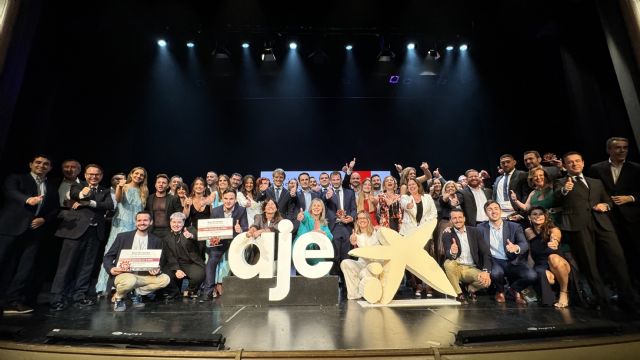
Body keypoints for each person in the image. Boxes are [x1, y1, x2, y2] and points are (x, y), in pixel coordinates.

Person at [554, 151, 635, 310]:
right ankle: (602, 301)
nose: (575, 164)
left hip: (602, 224)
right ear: (565, 165)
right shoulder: (561, 182)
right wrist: (565, 190)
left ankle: (628, 299)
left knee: (618, 260)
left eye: (578, 161)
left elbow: (608, 202)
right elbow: (557, 197)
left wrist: (605, 206)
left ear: (583, 163)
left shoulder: (596, 182)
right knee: (589, 265)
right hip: (579, 226)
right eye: (570, 162)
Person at [0, 154, 59, 314]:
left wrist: (43, 220)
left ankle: (13, 301)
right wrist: (28, 200)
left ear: (50, 168)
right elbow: (10, 192)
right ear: (31, 164)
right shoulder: (17, 178)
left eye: (46, 164)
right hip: (10, 227)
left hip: (34, 231)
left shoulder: (51, 187)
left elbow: (55, 209)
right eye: (38, 163)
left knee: (25, 267)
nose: (41, 166)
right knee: (3, 262)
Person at [49, 164, 114, 311]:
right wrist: (84, 195)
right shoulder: (77, 185)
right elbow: (76, 196)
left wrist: (89, 203)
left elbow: (109, 205)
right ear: (85, 175)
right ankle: (57, 298)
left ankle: (79, 296)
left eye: (97, 174)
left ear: (101, 176)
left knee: (87, 266)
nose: (94, 177)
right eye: (90, 174)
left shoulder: (105, 190)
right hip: (75, 231)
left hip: (95, 232)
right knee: (65, 266)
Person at [588, 137, 640, 287]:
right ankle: (620, 287)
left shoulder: (636, 168)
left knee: (635, 253)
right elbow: (591, 191)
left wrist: (630, 198)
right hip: (608, 219)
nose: (622, 150)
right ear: (609, 150)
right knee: (614, 256)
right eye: (618, 148)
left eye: (625, 147)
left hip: (633, 220)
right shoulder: (596, 168)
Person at [102, 211, 170, 311]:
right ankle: (119, 297)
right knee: (130, 280)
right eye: (139, 220)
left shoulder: (156, 240)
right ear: (135, 222)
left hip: (143, 277)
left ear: (151, 222)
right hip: (123, 275)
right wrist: (111, 269)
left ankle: (136, 292)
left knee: (165, 279)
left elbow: (158, 262)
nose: (142, 223)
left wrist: (157, 269)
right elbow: (108, 257)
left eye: (145, 220)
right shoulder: (123, 237)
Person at [95, 166, 148, 296]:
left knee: (132, 255)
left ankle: (127, 286)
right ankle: (104, 286)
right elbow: (118, 200)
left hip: (135, 225)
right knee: (112, 252)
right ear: (132, 174)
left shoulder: (143, 190)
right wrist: (119, 186)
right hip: (121, 224)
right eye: (137, 173)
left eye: (142, 175)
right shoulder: (123, 186)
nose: (139, 176)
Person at [479, 200, 536, 305]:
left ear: (500, 211)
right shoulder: (480, 228)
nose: (493, 212)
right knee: (496, 273)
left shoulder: (514, 226)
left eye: (496, 209)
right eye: (490, 209)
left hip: (513, 261)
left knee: (531, 275)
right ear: (486, 213)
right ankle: (500, 291)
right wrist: (450, 229)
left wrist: (516, 247)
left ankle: (514, 289)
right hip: (495, 261)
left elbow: (524, 244)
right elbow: (467, 232)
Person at [202, 189, 248, 299]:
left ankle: (234, 290)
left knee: (235, 260)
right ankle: (208, 291)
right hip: (219, 243)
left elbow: (246, 227)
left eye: (231, 199)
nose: (228, 201)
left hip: (234, 243)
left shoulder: (241, 210)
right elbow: (211, 229)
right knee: (211, 261)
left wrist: (240, 229)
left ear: (235, 200)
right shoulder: (215, 211)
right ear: (222, 199)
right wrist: (213, 238)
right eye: (226, 198)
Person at [442, 209, 491, 304]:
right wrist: (453, 251)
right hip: (457, 267)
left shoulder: (475, 231)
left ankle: (470, 289)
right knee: (448, 263)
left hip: (471, 268)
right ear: (451, 220)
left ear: (464, 219)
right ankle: (459, 293)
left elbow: (486, 252)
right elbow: (448, 254)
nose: (457, 220)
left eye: (460, 217)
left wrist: (486, 271)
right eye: (454, 218)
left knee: (486, 282)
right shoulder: (447, 233)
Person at [524, 206, 571, 307]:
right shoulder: (528, 231)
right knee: (543, 275)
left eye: (540, 214)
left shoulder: (553, 229)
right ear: (529, 217)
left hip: (558, 263)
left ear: (545, 216)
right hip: (541, 265)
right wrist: (529, 270)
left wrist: (554, 241)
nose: (538, 216)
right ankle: (552, 296)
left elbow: (556, 236)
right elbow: (529, 253)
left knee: (552, 257)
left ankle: (564, 292)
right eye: (534, 214)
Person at [399, 178, 437, 296]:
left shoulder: (428, 197)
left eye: (413, 184)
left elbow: (433, 213)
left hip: (424, 233)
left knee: (425, 259)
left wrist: (424, 224)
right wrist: (409, 206)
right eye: (409, 185)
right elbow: (404, 205)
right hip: (410, 233)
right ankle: (418, 285)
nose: (411, 186)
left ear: (418, 185)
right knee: (413, 260)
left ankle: (429, 285)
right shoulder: (405, 198)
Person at [162, 212, 205, 299]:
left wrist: (191, 236)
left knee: (199, 275)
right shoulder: (166, 237)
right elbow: (169, 256)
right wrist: (177, 269)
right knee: (165, 275)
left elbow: (199, 238)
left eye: (179, 222)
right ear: (170, 223)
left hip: (191, 263)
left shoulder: (190, 230)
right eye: (174, 222)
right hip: (175, 263)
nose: (176, 225)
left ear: (183, 223)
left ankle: (190, 290)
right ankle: (175, 292)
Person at [340, 211, 382, 300]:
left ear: (368, 220)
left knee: (364, 273)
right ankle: (354, 294)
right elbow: (353, 240)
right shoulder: (356, 235)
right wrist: (352, 240)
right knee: (345, 263)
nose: (362, 220)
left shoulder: (376, 232)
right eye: (359, 218)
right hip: (362, 263)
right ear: (357, 221)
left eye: (364, 218)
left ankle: (370, 291)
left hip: (375, 264)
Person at [322, 171, 356, 277]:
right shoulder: (326, 192)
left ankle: (346, 283)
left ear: (341, 180)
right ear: (330, 181)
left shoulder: (350, 192)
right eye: (334, 180)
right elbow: (322, 203)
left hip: (347, 227)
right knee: (334, 256)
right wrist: (327, 197)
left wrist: (351, 217)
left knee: (347, 257)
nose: (336, 181)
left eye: (338, 179)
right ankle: (335, 284)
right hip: (334, 227)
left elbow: (354, 209)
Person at [492, 154, 529, 219]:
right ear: (500, 165)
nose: (505, 164)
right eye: (503, 163)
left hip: (515, 214)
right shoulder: (498, 178)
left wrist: (521, 214)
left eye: (508, 162)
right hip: (499, 215)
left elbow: (526, 195)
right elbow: (494, 196)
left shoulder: (522, 174)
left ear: (514, 162)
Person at [145, 174, 182, 239]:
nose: (161, 184)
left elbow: (179, 214)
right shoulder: (149, 198)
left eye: (164, 183)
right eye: (158, 182)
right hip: (152, 231)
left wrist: (175, 228)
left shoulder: (174, 198)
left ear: (168, 186)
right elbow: (146, 213)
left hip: (168, 231)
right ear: (155, 185)